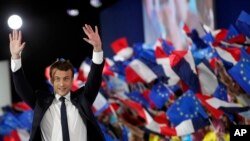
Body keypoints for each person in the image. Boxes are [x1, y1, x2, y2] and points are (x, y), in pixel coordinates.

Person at [9, 24, 105, 141]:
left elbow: (95, 78)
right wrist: (15, 57)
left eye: (66, 78)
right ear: (52, 80)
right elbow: (21, 87)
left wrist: (98, 49)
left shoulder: (83, 99)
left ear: (71, 80)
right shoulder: (40, 102)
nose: (61, 84)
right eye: (57, 79)